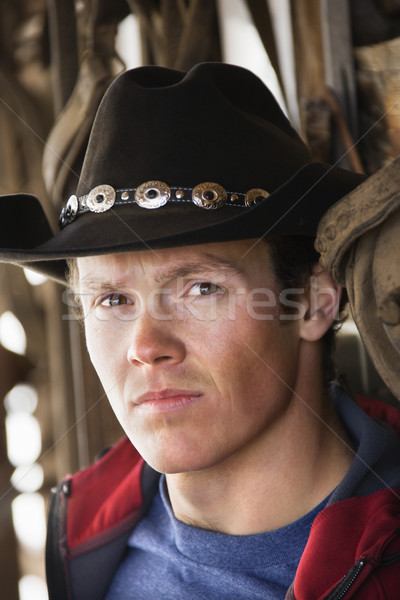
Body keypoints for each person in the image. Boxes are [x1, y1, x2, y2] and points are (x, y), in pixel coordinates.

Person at [1, 63, 400, 600]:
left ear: (313, 301)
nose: (146, 347)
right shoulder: (84, 537)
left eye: (200, 289)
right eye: (112, 299)